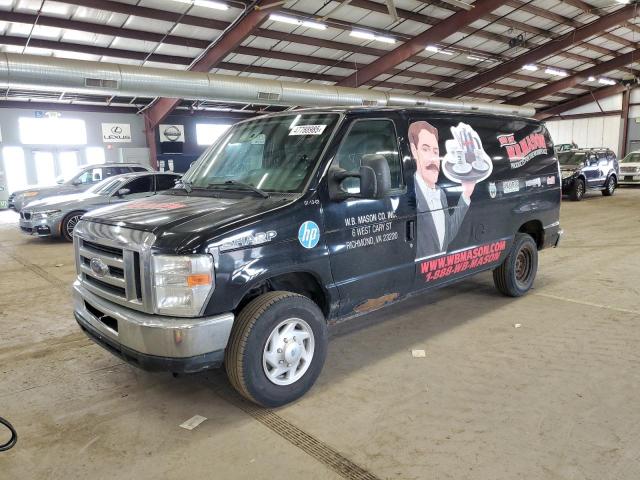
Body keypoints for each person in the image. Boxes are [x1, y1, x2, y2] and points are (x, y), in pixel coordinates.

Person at [409, 121, 476, 259]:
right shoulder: (409, 195)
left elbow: (448, 233)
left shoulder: (441, 194)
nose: (433, 158)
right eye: (425, 149)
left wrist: (466, 194)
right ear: (414, 151)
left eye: (436, 151)